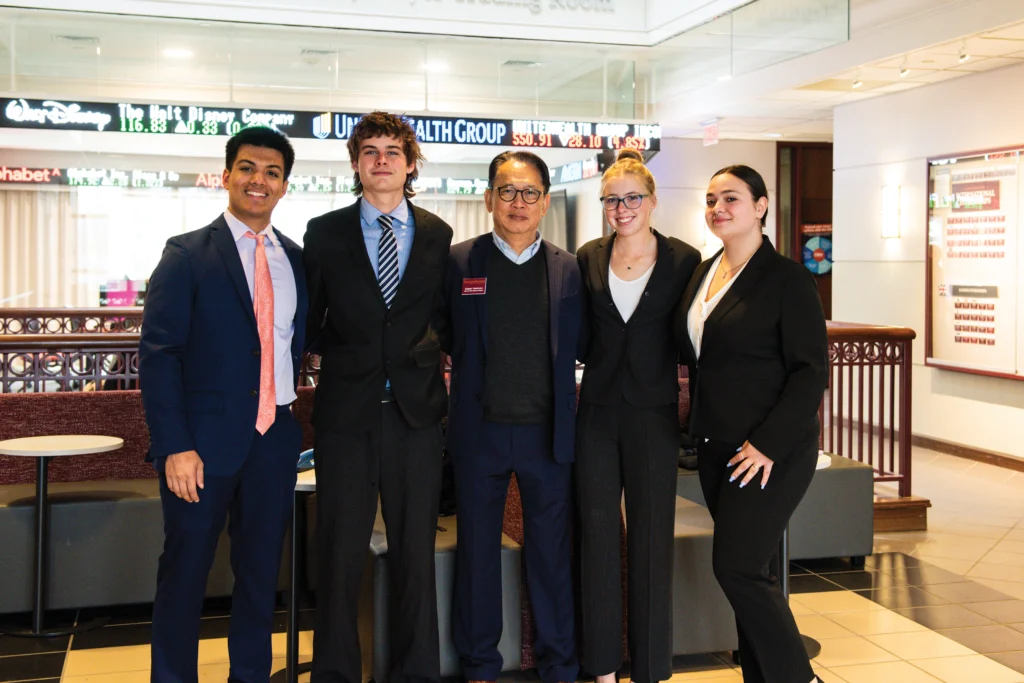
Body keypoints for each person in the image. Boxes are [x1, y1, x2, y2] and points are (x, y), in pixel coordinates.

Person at [140, 126, 307, 683]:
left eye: (272, 172)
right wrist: (174, 447)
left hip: (275, 439)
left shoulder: (298, 262)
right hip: (201, 449)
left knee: (261, 574)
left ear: (284, 185)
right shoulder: (187, 253)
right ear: (227, 175)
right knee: (184, 574)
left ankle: (251, 676)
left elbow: (295, 344)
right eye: (247, 168)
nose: (258, 180)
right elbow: (160, 356)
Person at [304, 111, 453, 683]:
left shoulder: (437, 234)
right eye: (370, 151)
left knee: (415, 553)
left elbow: (441, 317)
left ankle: (416, 673)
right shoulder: (325, 232)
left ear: (411, 164)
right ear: (356, 164)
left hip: (416, 414)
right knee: (340, 552)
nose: (382, 160)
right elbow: (311, 318)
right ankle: (336, 674)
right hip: (347, 414)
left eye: (394, 150)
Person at [674, 165, 829, 683]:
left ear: (761, 206)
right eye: (712, 198)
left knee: (736, 568)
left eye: (732, 198)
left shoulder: (787, 278)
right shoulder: (705, 271)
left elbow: (810, 374)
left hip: (768, 452)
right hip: (718, 446)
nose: (718, 207)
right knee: (751, 573)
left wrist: (766, 445)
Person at [440, 150, 582, 683]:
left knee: (551, 556)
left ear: (544, 202)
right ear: (488, 198)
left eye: (528, 193)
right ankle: (479, 664)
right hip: (481, 434)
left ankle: (558, 665)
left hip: (549, 436)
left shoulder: (568, 268)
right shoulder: (458, 263)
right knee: (476, 553)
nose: (517, 203)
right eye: (506, 191)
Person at [575, 149, 700, 683]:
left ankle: (650, 670)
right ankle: (602, 669)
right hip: (597, 417)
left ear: (651, 201)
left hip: (652, 416)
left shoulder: (684, 259)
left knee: (652, 544)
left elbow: (695, 338)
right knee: (598, 542)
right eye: (612, 199)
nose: (621, 208)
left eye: (632, 198)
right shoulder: (586, 257)